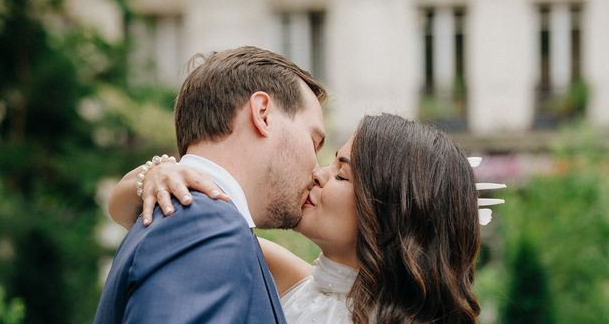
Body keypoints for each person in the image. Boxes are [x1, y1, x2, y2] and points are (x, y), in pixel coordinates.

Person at [110, 113, 491, 323]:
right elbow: (131, 211)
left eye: (342, 174)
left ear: (391, 211)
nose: (318, 174)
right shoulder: (297, 284)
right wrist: (159, 174)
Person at [94, 46, 327, 323]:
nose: (317, 169)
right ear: (263, 113)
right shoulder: (206, 225)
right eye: (314, 142)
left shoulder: (191, 219)